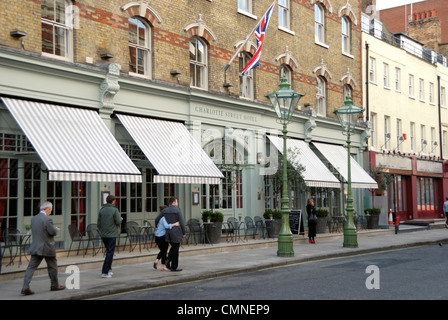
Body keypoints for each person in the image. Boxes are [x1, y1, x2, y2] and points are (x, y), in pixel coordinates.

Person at [21, 201, 65, 295]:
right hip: (47, 247)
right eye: (51, 210)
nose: (51, 212)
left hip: (36, 247)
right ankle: (55, 285)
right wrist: (56, 229)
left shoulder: (34, 219)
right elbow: (52, 232)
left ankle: (25, 287)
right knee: (52, 267)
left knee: (31, 267)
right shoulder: (47, 219)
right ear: (48, 209)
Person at [155, 197, 186, 272]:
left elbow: (157, 219)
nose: (177, 203)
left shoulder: (165, 210)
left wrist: (157, 226)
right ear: (174, 202)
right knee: (175, 249)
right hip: (176, 232)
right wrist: (184, 232)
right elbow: (181, 222)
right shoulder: (177, 210)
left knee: (173, 247)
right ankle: (173, 267)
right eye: (177, 201)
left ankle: (168, 260)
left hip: (168, 232)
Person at [97, 195, 122, 278]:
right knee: (110, 253)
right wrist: (121, 219)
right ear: (113, 201)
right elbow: (118, 221)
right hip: (112, 234)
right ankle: (105, 271)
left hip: (104, 234)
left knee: (108, 252)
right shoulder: (114, 210)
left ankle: (109, 269)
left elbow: (99, 224)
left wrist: (103, 230)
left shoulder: (102, 210)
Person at [153, 205, 179, 271]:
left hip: (157, 237)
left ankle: (157, 260)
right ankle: (162, 266)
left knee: (162, 250)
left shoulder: (159, 218)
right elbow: (167, 226)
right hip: (162, 237)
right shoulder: (163, 218)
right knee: (164, 251)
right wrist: (175, 224)